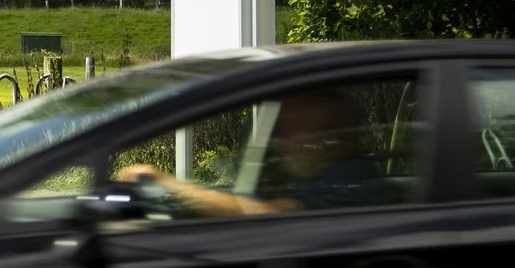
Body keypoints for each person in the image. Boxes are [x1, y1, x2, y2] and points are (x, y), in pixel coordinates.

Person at [117, 87, 390, 218]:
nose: (277, 137)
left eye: (290, 125)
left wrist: (165, 183)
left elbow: (268, 214)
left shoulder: (349, 179)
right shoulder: (299, 176)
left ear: (327, 134)